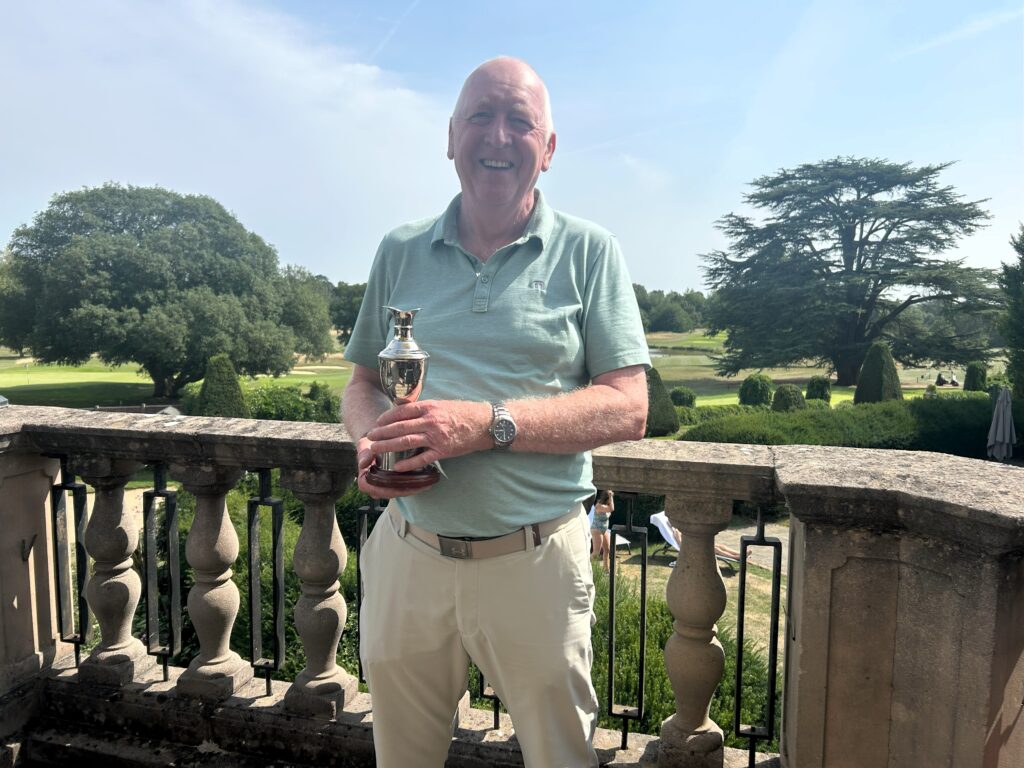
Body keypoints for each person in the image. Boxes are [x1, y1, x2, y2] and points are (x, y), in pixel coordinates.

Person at [342, 57, 650, 768]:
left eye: (520, 121)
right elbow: (361, 384)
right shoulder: (399, 250)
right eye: (480, 116)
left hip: (535, 563)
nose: (498, 136)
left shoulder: (590, 251)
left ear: (549, 148)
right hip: (408, 552)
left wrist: (486, 424)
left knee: (559, 758)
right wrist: (371, 441)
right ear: (451, 137)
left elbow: (629, 407)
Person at [590, 490, 614, 573]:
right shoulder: (599, 505)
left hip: (604, 529)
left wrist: (610, 497)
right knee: (596, 552)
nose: (611, 501)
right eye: (610, 499)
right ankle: (585, 567)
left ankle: (606, 570)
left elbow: (610, 508)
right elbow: (612, 509)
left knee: (607, 549)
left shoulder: (606, 505)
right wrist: (611, 496)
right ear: (606, 498)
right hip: (597, 529)